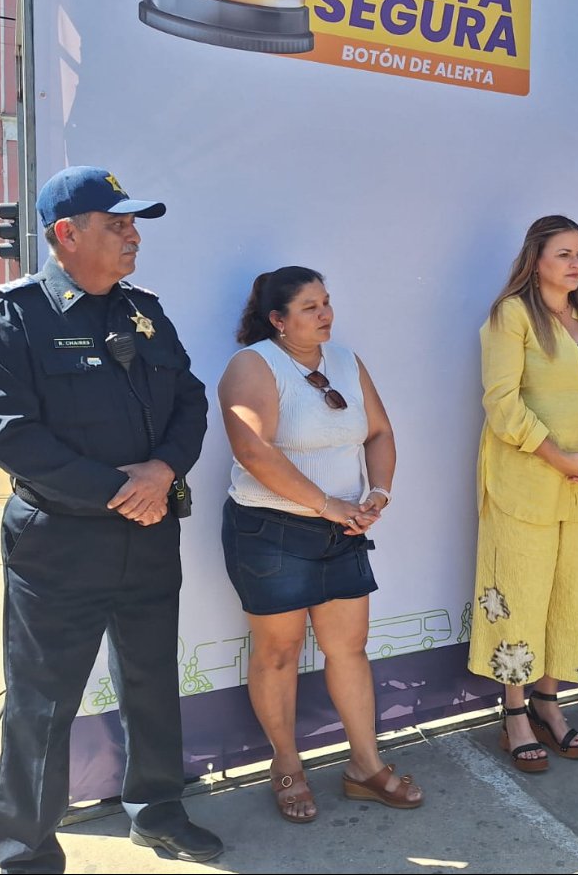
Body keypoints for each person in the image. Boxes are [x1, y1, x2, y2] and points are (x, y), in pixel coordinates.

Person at [0, 166, 222, 873]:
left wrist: (164, 471)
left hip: (147, 536)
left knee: (151, 679)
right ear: (66, 235)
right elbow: (8, 434)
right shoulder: (14, 317)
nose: (133, 235)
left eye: (133, 223)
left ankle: (157, 809)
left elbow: (190, 401)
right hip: (60, 545)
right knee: (42, 704)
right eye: (118, 224)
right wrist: (122, 489)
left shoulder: (143, 310)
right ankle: (26, 850)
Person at [217, 266, 420, 818]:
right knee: (278, 652)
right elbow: (254, 452)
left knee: (347, 649)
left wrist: (378, 492)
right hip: (271, 532)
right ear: (277, 319)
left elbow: (379, 432)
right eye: (310, 307)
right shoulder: (253, 365)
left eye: (326, 302)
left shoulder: (347, 362)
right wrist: (328, 505)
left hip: (343, 530)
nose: (325, 314)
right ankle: (286, 765)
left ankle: (365, 767)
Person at [469, 215, 578, 772]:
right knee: (521, 593)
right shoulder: (509, 317)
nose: (575, 263)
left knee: (572, 594)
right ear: (535, 259)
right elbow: (502, 404)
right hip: (527, 486)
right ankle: (513, 713)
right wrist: (559, 458)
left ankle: (547, 702)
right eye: (563, 254)